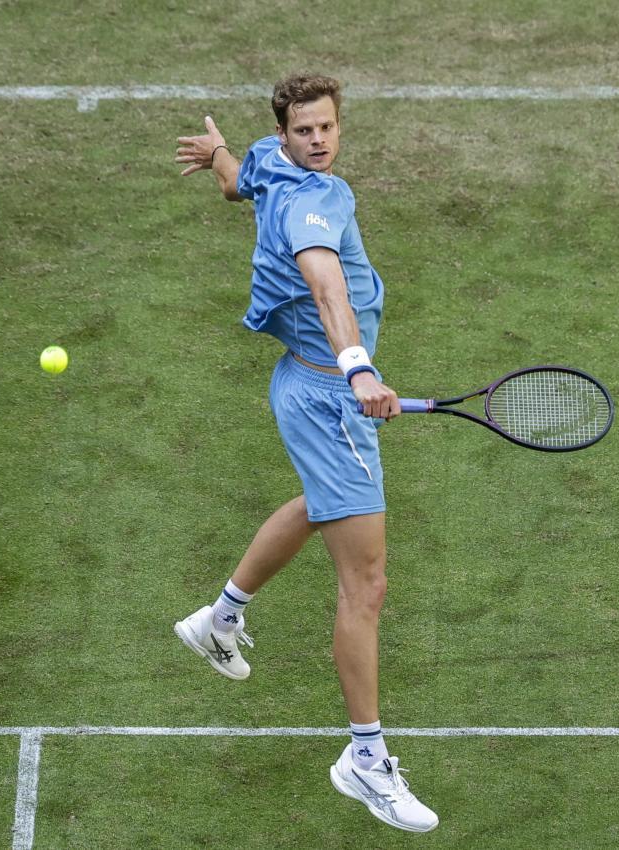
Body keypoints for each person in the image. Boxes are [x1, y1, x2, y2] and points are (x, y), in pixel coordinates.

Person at [171, 74, 438, 833]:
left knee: (322, 505)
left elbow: (238, 185)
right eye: (304, 131)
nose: (317, 141)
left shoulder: (266, 158)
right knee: (366, 587)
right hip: (328, 396)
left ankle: (220, 618)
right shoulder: (319, 202)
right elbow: (327, 288)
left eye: (326, 127)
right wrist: (359, 371)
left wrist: (219, 156)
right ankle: (365, 759)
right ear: (286, 132)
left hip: (299, 381)